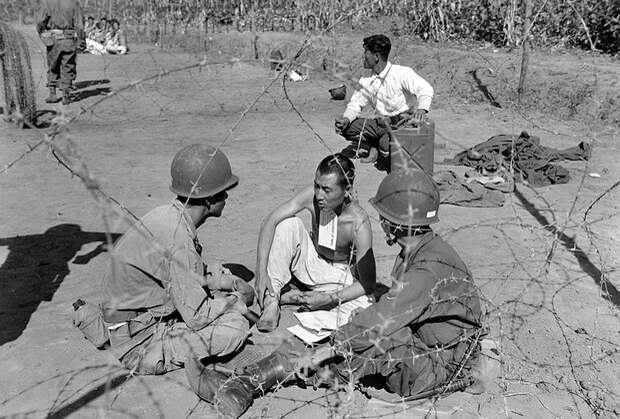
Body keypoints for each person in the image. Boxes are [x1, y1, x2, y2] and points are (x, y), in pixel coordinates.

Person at [188, 170, 485, 418]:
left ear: (399, 222)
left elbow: (384, 319)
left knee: (359, 342)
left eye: (384, 216)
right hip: (433, 350)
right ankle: (251, 378)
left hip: (438, 365)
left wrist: (330, 348)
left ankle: (244, 386)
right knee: (359, 331)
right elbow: (396, 311)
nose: (381, 221)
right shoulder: (420, 251)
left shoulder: (426, 269)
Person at [99, 144, 253, 375]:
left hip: (132, 321)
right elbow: (198, 316)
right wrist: (232, 302)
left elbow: (181, 275)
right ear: (209, 199)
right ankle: (161, 357)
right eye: (223, 192)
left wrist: (216, 282)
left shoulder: (168, 215)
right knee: (236, 327)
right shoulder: (179, 241)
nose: (227, 197)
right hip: (137, 342)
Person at [255, 154, 376, 332]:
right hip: (311, 261)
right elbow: (270, 220)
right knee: (287, 223)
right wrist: (261, 271)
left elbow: (368, 283)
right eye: (316, 186)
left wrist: (330, 299)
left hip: (338, 277)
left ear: (347, 189)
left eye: (326, 190)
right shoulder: (312, 197)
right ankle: (272, 300)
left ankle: (300, 296)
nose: (319, 195)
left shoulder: (359, 223)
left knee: (366, 306)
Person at [334, 34, 434, 164]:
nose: (363, 56)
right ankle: (375, 145)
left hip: (401, 124)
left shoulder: (401, 73)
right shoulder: (366, 80)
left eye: (366, 52)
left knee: (387, 148)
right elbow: (355, 104)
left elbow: (426, 89)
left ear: (376, 56)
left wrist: (422, 110)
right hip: (380, 124)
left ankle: (381, 146)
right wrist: (346, 119)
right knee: (347, 129)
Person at [36, 0, 86, 105]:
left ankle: (52, 94)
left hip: (52, 39)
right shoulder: (73, 3)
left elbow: (40, 21)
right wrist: (81, 41)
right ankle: (65, 95)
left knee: (53, 66)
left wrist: (42, 33)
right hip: (69, 39)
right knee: (68, 66)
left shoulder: (47, 2)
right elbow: (79, 25)